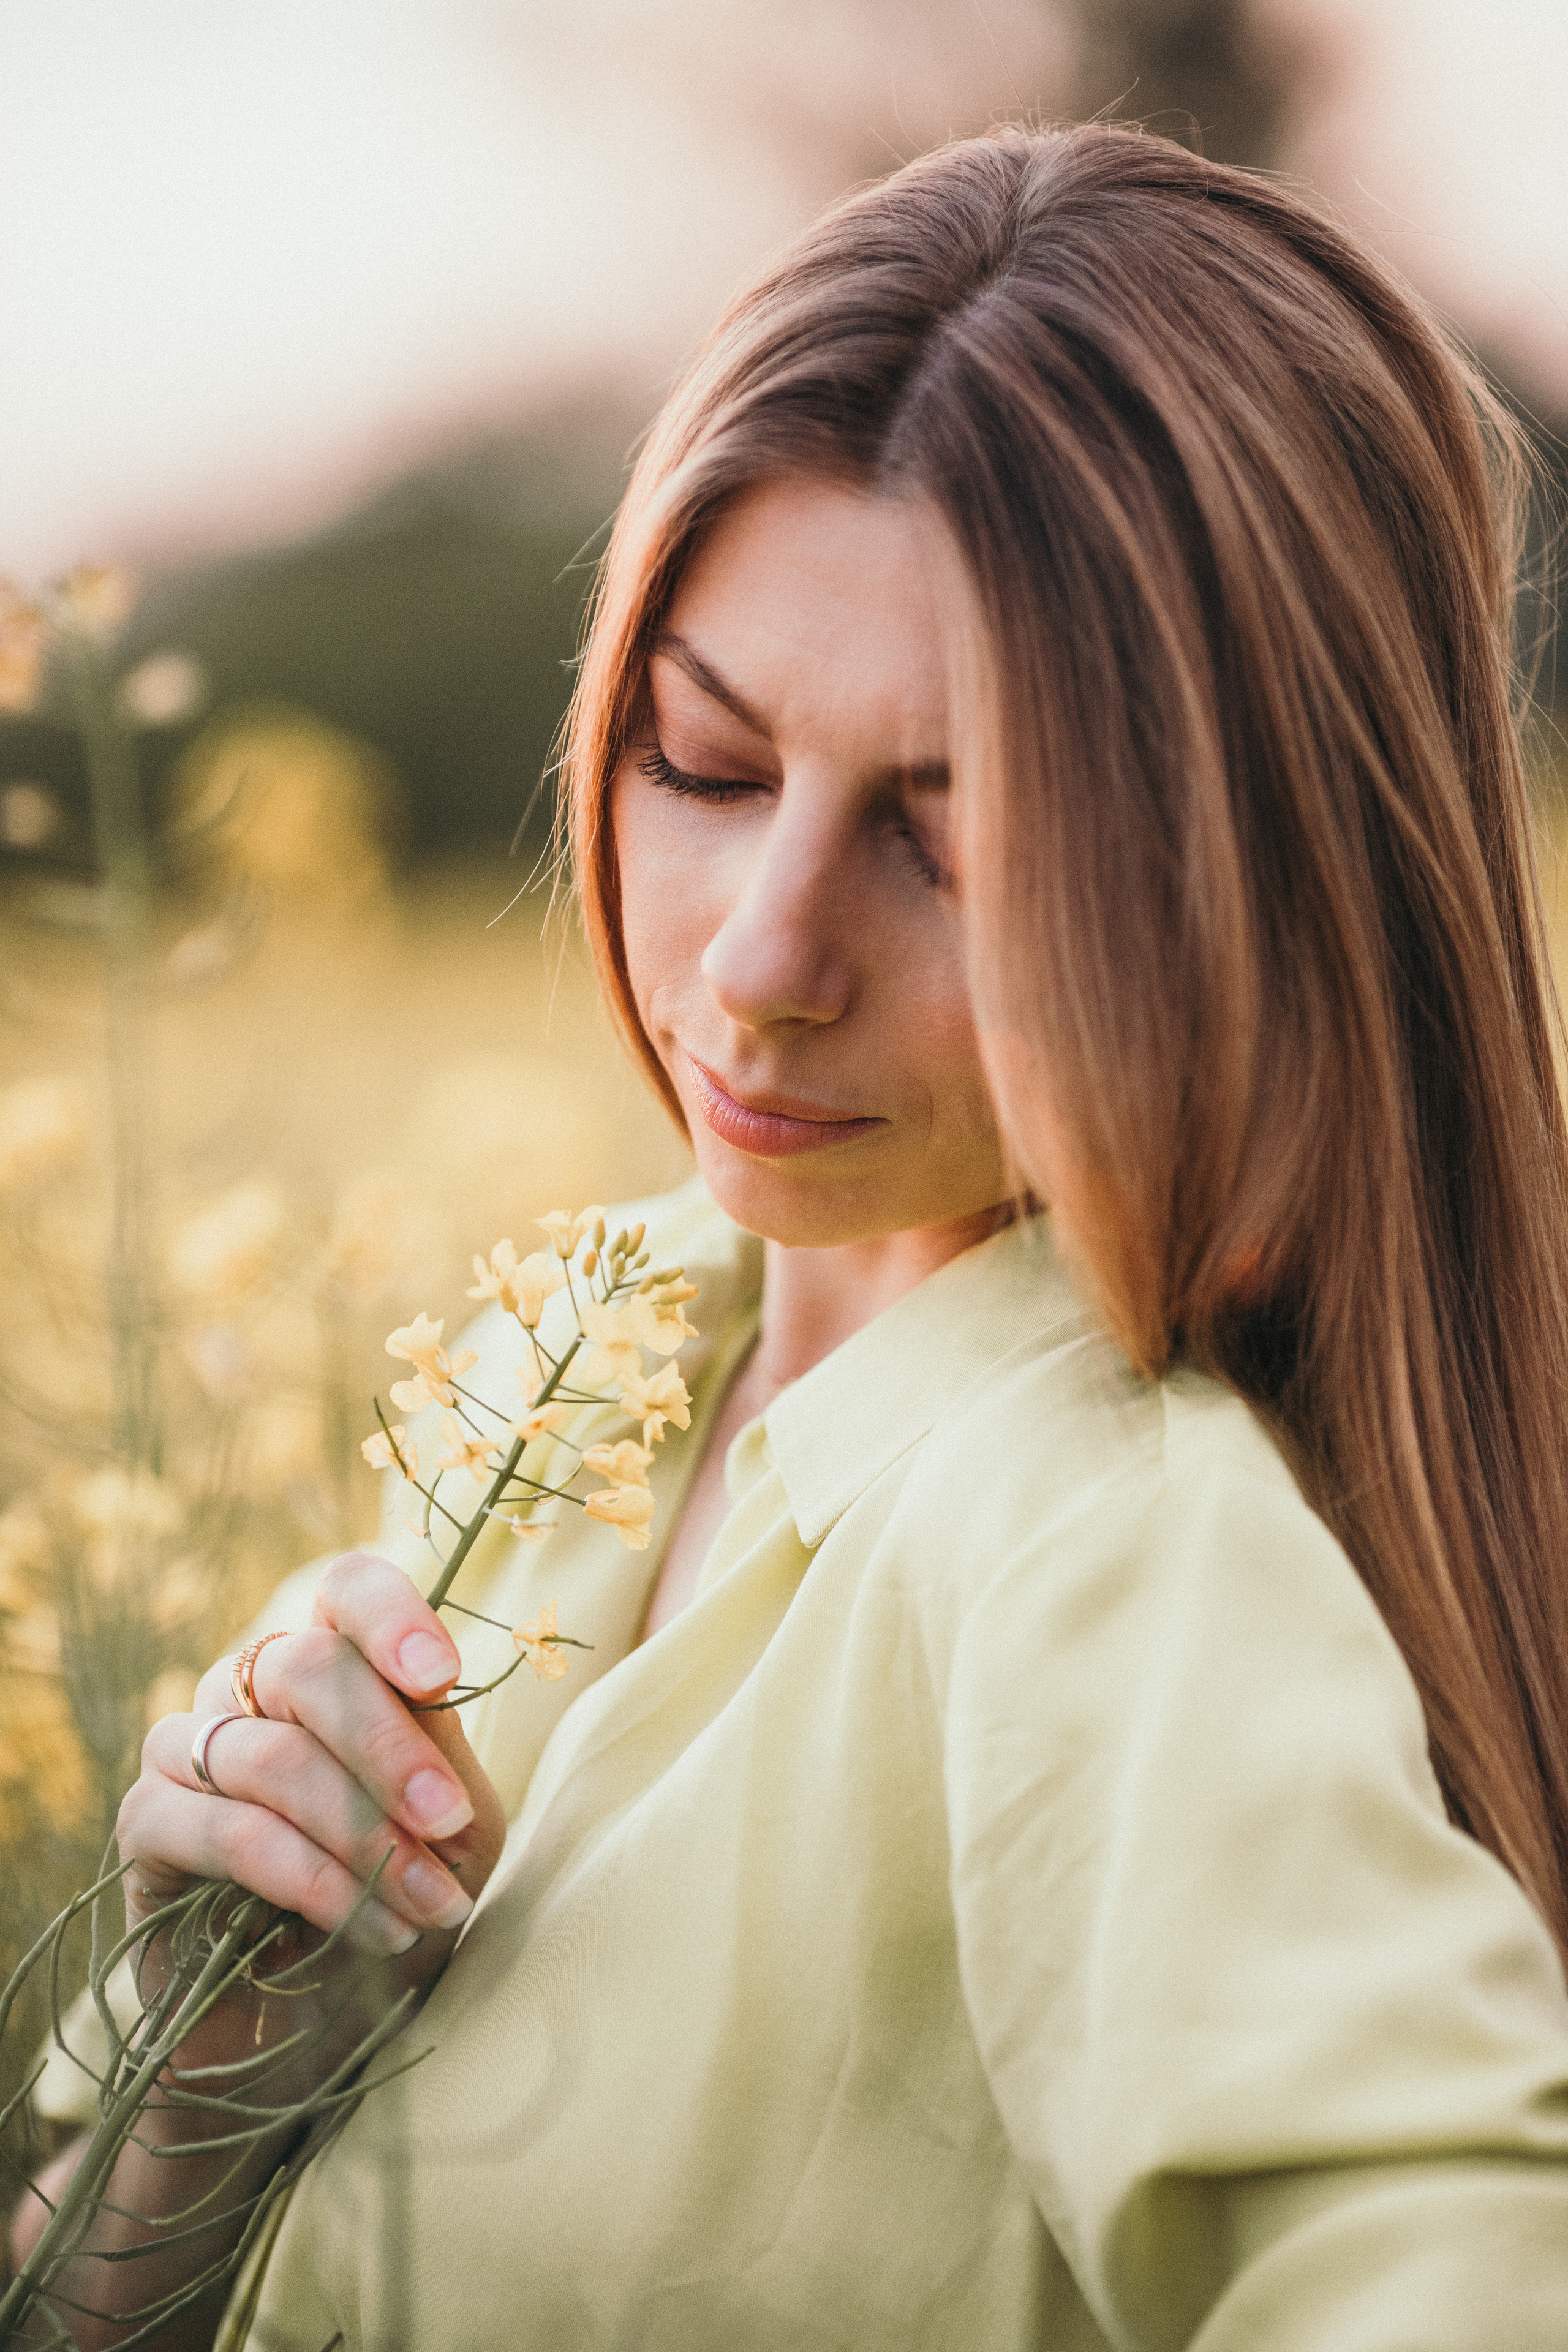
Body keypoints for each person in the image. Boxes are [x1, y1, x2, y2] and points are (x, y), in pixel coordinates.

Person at [17, 123, 1568, 2349]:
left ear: (1247, 895)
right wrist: (214, 2078)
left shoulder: (1110, 1549)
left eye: (958, 843)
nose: (759, 963)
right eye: (706, 765)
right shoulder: (581, 1348)